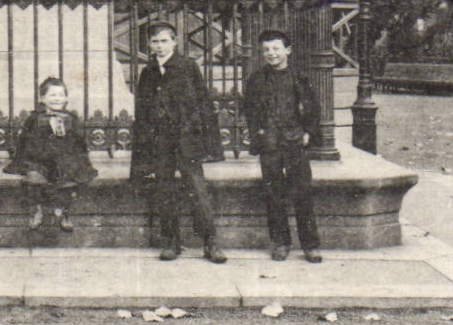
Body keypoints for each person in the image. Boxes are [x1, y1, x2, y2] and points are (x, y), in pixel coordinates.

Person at [130, 22, 226, 263]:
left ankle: (210, 241)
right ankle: (171, 240)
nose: (160, 46)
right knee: (164, 190)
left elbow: (202, 103)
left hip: (185, 139)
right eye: (155, 42)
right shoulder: (148, 72)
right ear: (148, 45)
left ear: (175, 42)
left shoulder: (187, 67)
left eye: (164, 41)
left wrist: (204, 140)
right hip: (160, 141)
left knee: (197, 188)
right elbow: (142, 110)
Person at [242, 28, 323, 263]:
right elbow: (250, 109)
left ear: (287, 50)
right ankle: (280, 242)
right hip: (269, 143)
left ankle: (310, 245)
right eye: (266, 49)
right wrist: (258, 132)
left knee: (303, 192)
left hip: (294, 141)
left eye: (276, 48)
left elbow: (312, 107)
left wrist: (308, 132)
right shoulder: (256, 80)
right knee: (273, 193)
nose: (271, 53)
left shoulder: (299, 77)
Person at [4, 76, 97, 231]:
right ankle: (37, 210)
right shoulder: (35, 118)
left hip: (65, 160)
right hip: (41, 159)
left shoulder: (71, 118)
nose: (57, 99)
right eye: (52, 95)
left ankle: (65, 211)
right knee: (33, 178)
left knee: (71, 179)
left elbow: (79, 141)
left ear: (66, 98)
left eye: (60, 95)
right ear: (42, 98)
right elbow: (26, 141)